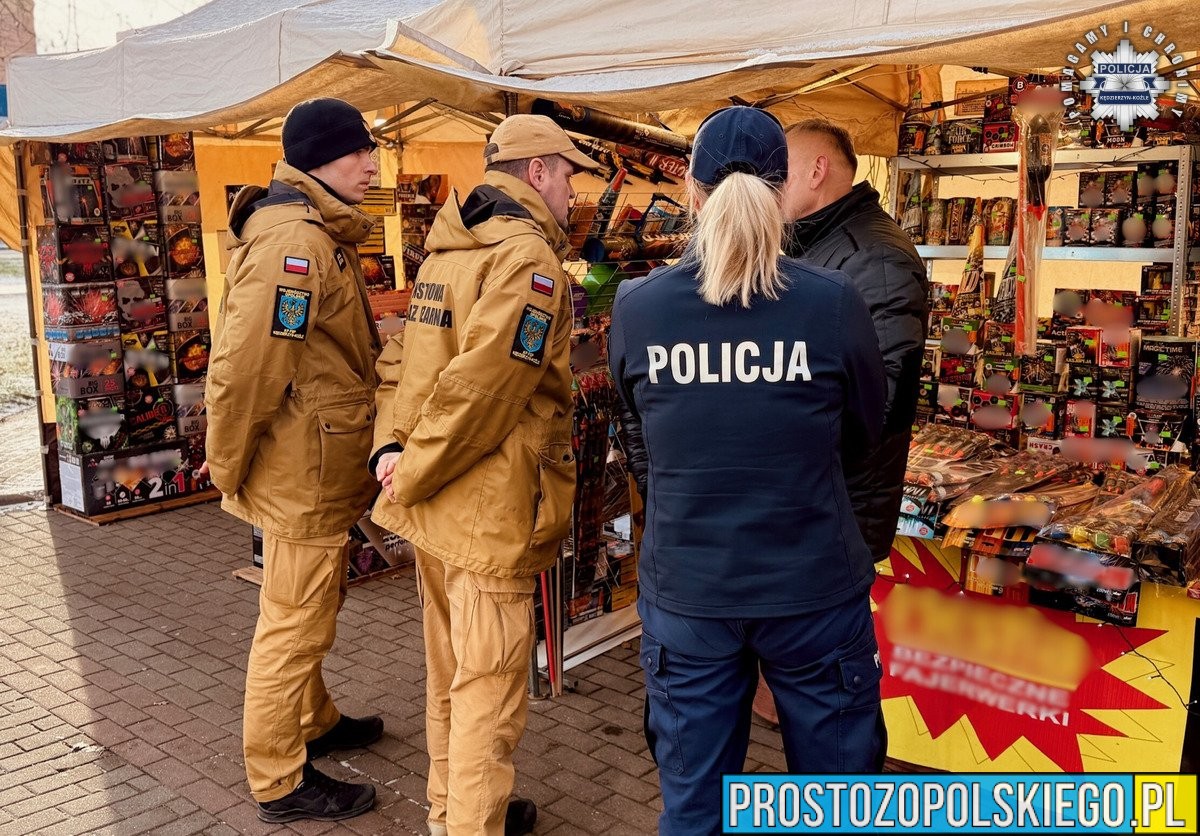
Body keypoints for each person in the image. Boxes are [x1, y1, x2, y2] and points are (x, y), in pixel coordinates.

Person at [608, 106, 888, 836]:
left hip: (690, 591)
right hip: (812, 586)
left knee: (697, 808)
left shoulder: (638, 307)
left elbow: (638, 436)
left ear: (695, 195)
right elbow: (865, 430)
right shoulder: (832, 302)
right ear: (778, 187)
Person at [369, 114, 600, 836]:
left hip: (437, 509)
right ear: (537, 172)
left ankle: (455, 813)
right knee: (490, 697)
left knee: (452, 680)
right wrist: (411, 468)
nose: (573, 191)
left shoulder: (448, 246)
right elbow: (486, 386)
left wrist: (393, 453)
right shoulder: (526, 259)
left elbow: (406, 368)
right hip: (484, 509)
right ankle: (471, 821)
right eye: (568, 174)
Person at [205, 97, 386, 824]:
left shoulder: (314, 231)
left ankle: (313, 720)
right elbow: (245, 369)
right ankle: (279, 777)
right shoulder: (294, 246)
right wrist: (227, 465)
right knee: (294, 622)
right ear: (318, 159)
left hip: (319, 460)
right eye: (358, 152)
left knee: (313, 607)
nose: (373, 164)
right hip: (300, 471)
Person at [782, 118, 929, 562]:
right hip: (815, 503)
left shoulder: (874, 256)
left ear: (816, 171)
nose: (768, 188)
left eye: (779, 174)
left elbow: (881, 399)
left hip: (840, 513)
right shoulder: (819, 243)